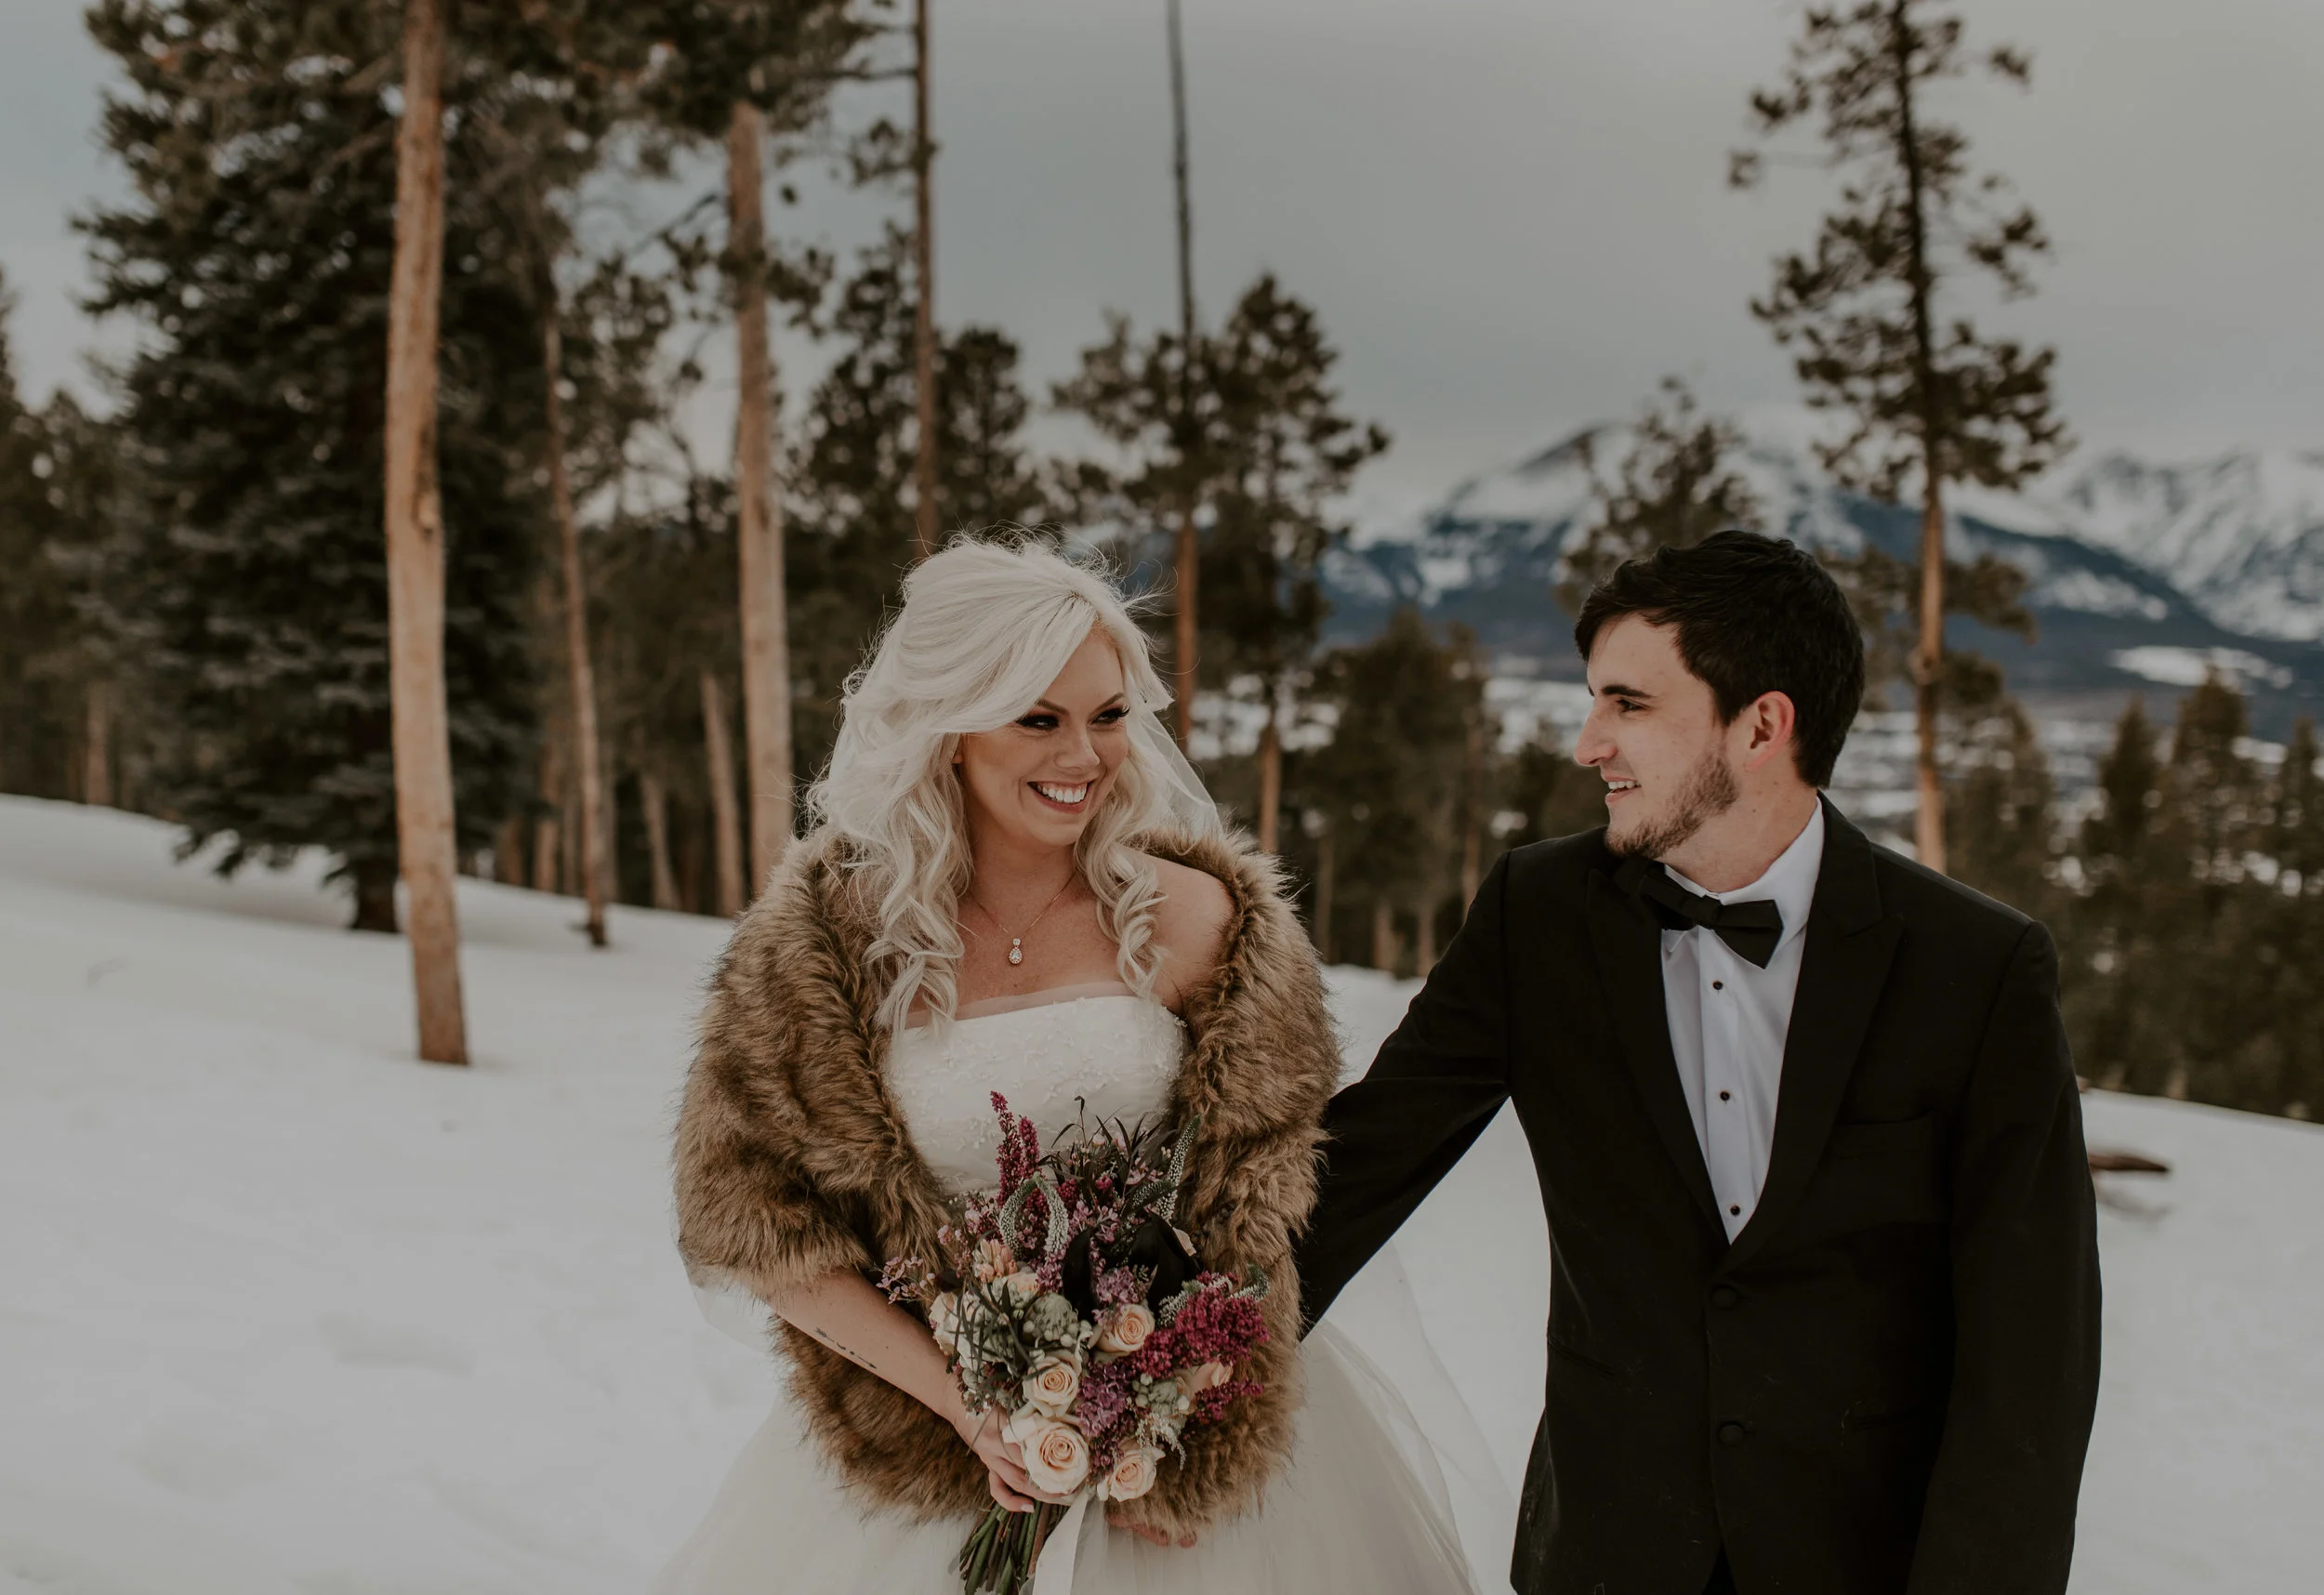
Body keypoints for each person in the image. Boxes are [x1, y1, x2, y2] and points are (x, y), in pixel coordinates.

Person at [655, 535, 1477, 1593]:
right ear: (949, 729)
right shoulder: (825, 946)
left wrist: (1175, 1429)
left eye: (1107, 716)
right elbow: (761, 1231)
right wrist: (974, 1407)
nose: (1083, 756)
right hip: (923, 1458)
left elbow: (1261, 1216)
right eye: (1038, 718)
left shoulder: (1199, 923)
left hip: (1188, 1475)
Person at [1296, 531, 2103, 1595]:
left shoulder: (1976, 967)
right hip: (1604, 1557)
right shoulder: (1536, 917)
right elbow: (1353, 1169)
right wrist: (1122, 1348)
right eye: (1594, 701)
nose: (1590, 743)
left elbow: (2030, 1354)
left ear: (1763, 724)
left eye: (1628, 705)